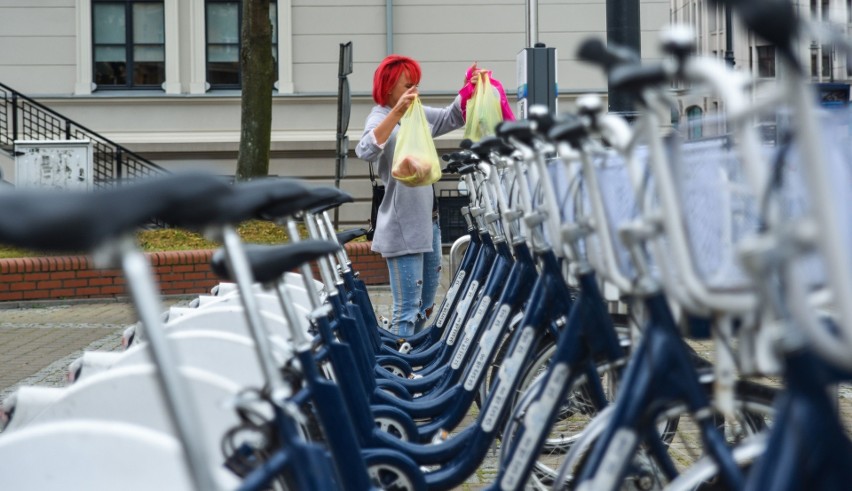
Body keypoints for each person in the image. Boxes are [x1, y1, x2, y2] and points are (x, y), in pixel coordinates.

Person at [355, 55, 485, 337]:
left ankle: (411, 361)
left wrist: (468, 89)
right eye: (408, 86)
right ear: (389, 87)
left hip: (430, 223)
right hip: (402, 226)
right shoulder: (379, 117)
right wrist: (396, 113)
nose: (414, 92)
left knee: (426, 306)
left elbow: (453, 116)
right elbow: (365, 150)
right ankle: (398, 371)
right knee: (407, 308)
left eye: (416, 86)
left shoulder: (416, 113)